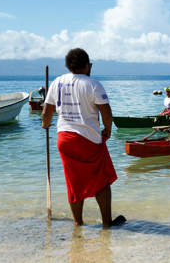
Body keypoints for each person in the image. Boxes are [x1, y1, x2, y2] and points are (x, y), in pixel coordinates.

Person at [41, 48, 125, 228]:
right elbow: (106, 113)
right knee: (101, 180)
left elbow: (46, 114)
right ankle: (106, 223)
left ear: (68, 66)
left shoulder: (57, 82)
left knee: (73, 182)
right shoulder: (93, 84)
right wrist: (108, 128)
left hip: (64, 139)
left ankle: (78, 223)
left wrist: (45, 124)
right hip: (88, 139)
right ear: (87, 66)